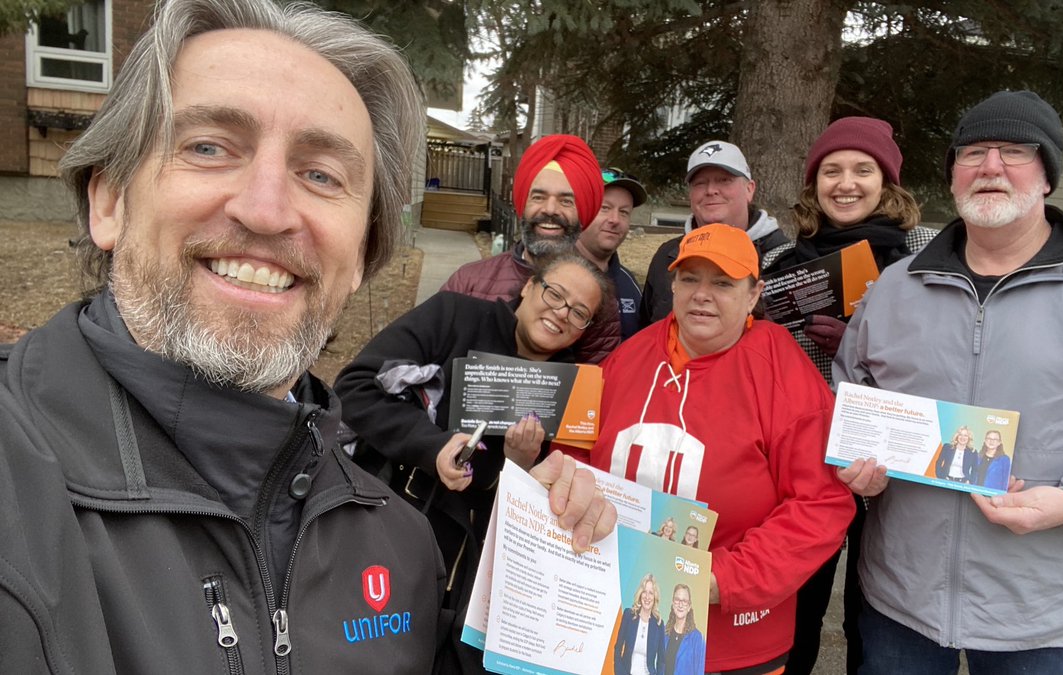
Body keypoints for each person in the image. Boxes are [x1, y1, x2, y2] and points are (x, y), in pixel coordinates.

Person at [0, 1, 614, 672]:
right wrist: (436, 446)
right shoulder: (16, 492)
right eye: (209, 147)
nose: (266, 209)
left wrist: (543, 566)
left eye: (321, 174)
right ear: (109, 201)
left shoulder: (399, 547)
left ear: (360, 257)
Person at [835, 90, 1063, 674]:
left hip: (1048, 611)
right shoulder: (897, 287)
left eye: (1014, 151)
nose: (991, 167)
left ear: (1048, 173)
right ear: (953, 173)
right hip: (902, 598)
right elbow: (850, 397)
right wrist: (857, 468)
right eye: (973, 152)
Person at [571, 223, 855, 673]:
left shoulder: (781, 370)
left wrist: (722, 579)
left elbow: (820, 503)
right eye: (690, 279)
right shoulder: (627, 359)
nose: (702, 294)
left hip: (733, 640)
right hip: (619, 620)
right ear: (673, 284)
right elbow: (577, 454)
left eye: (723, 283)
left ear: (754, 293)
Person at [334, 251, 615, 673]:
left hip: (468, 571)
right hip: (384, 520)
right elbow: (356, 387)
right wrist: (434, 446)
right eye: (555, 294)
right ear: (528, 286)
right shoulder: (455, 315)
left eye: (579, 312)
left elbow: (523, 504)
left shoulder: (569, 389)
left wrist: (518, 466)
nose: (560, 313)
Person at [762, 116, 933, 675]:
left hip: (895, 463)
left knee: (876, 614)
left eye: (864, 169)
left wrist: (863, 341)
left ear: (888, 181)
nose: (846, 183)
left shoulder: (926, 256)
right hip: (805, 463)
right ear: (814, 184)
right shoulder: (782, 264)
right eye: (831, 171)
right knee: (799, 609)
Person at [442, 134, 619, 363]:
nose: (550, 210)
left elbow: (599, 381)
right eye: (538, 197)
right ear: (523, 204)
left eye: (566, 201)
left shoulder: (596, 298)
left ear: (583, 213)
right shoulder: (467, 281)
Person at [638, 141, 791, 327]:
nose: (710, 191)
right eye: (700, 183)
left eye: (724, 180)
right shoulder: (668, 256)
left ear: (750, 189)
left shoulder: (786, 259)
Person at [576, 167, 649, 340]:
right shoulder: (549, 275)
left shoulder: (629, 285)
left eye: (624, 212)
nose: (615, 220)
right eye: (604, 208)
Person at [614, 573, 666, 675]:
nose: (647, 597)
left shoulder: (659, 625)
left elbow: (661, 660)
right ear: (640, 594)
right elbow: (618, 647)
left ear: (655, 597)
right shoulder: (629, 615)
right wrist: (619, 672)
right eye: (644, 592)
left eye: (651, 593)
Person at [663, 584, 706, 675]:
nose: (680, 604)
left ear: (689, 606)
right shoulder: (664, 633)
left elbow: (699, 671)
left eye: (684, 601)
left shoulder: (697, 638)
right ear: (673, 603)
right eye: (677, 600)